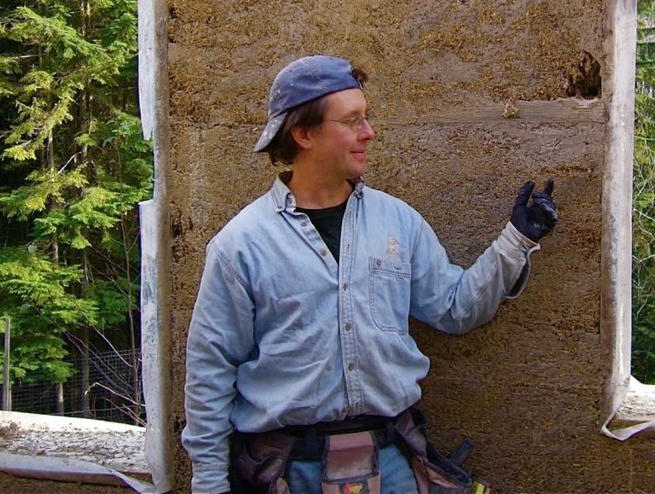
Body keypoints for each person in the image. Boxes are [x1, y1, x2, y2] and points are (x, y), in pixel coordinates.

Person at [182, 55, 558, 494]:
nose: (369, 132)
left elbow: (456, 309)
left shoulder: (398, 222)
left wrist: (516, 241)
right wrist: (209, 483)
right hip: (287, 472)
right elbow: (210, 371)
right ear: (303, 134)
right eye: (352, 121)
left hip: (394, 463)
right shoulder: (241, 245)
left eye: (367, 118)